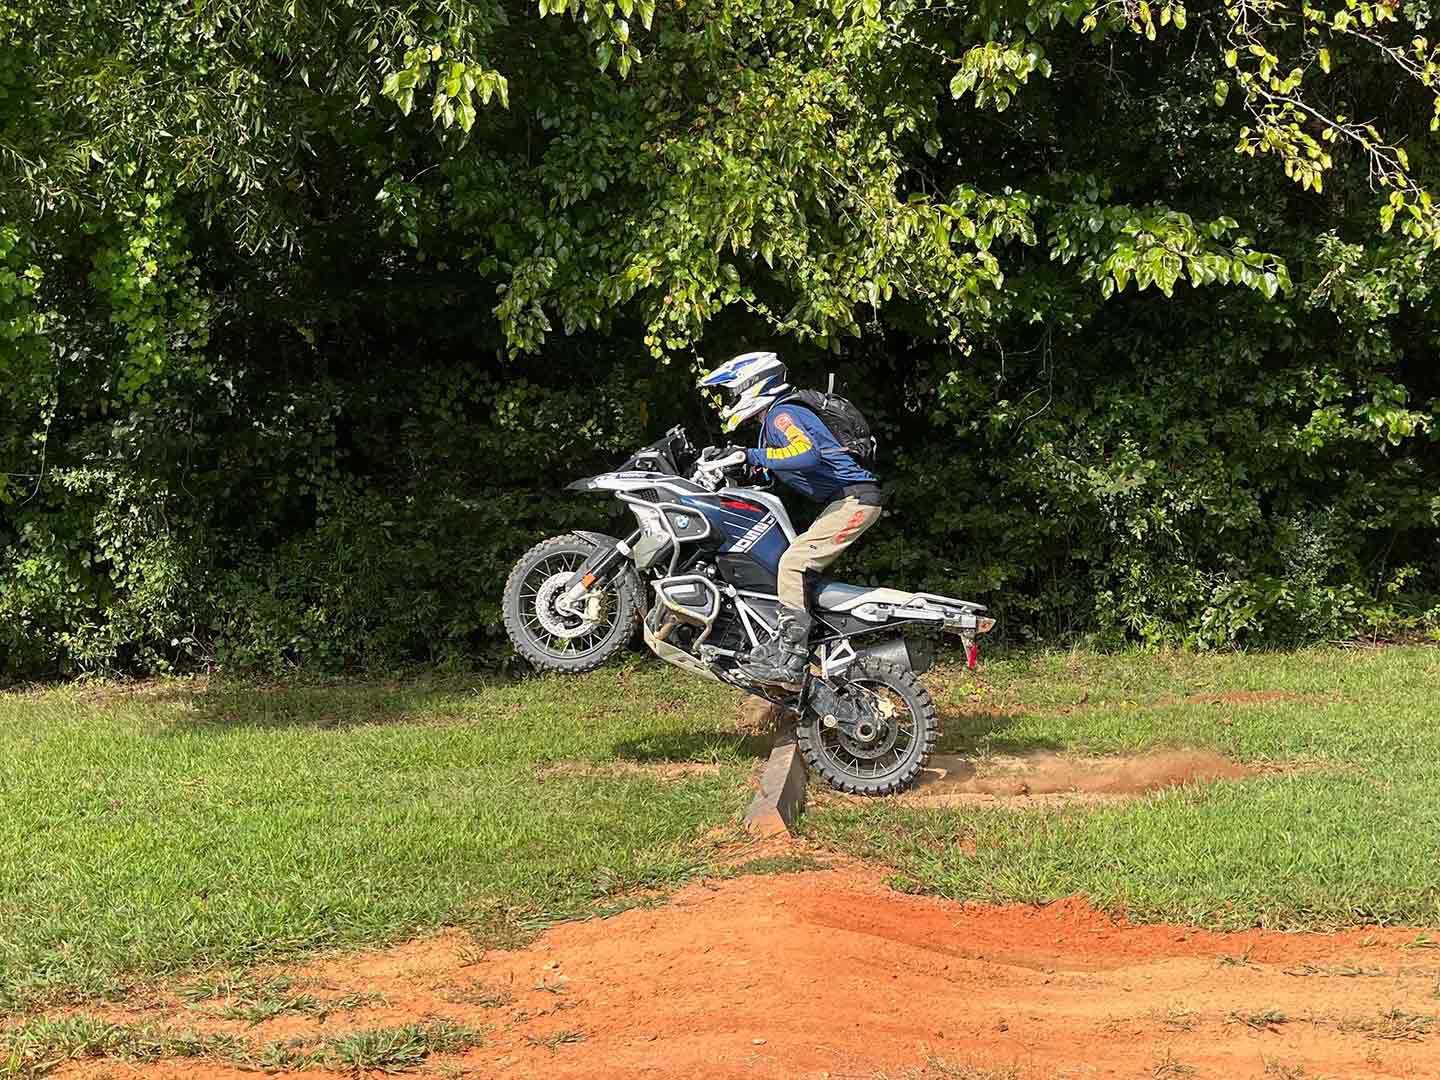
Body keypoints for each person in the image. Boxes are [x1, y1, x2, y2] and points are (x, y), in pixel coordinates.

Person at [697, 351, 883, 689]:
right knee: (792, 565)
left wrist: (750, 454)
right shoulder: (776, 419)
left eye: (733, 393)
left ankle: (791, 659)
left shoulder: (782, 414)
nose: (730, 401)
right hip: (843, 501)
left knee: (793, 563)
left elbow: (806, 453)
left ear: (752, 385)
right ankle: (795, 646)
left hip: (855, 500)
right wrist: (741, 462)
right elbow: (780, 465)